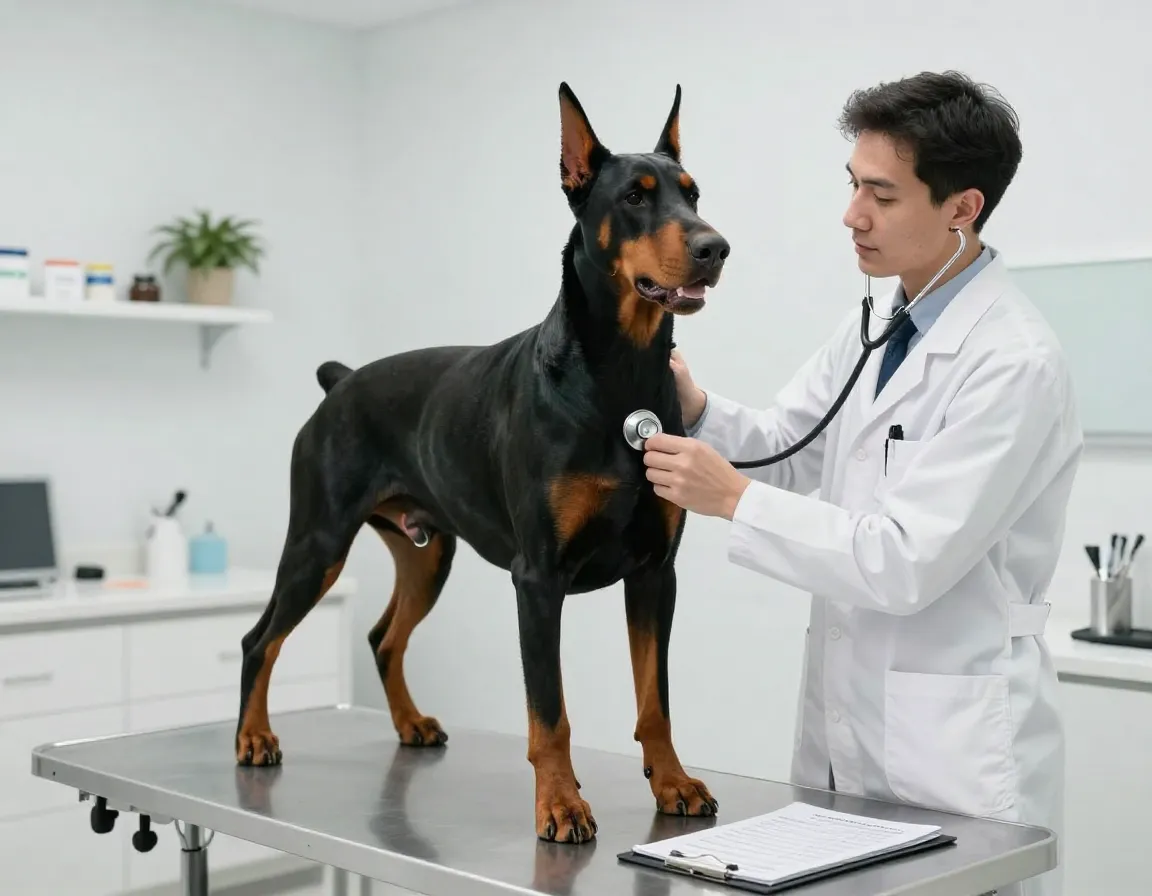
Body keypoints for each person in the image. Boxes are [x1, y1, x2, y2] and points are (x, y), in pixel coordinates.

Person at [642, 70, 1082, 896]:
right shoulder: (877, 320)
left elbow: (905, 560)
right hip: (850, 736)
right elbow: (789, 444)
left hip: (954, 750)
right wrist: (696, 409)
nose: (852, 215)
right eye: (853, 186)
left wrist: (732, 499)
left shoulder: (1013, 362)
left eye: (881, 195)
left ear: (963, 207)